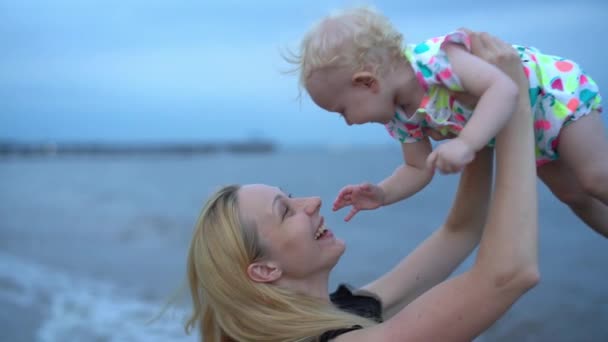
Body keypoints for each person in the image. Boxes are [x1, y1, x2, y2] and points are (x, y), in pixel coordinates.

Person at [183, 31, 539, 341]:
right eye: (285, 211)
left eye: (291, 197)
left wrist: (474, 127)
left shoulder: (344, 309)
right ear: (264, 270)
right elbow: (508, 274)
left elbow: (460, 231)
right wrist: (517, 102)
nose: (313, 202)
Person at [287, 7, 607, 237]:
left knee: (596, 177)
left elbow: (503, 88)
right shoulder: (399, 117)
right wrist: (382, 194)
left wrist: (466, 143)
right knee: (572, 195)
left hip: (555, 100)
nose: (347, 122)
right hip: (528, 134)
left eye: (343, 110)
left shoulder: (437, 60)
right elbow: (416, 168)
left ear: (367, 83)